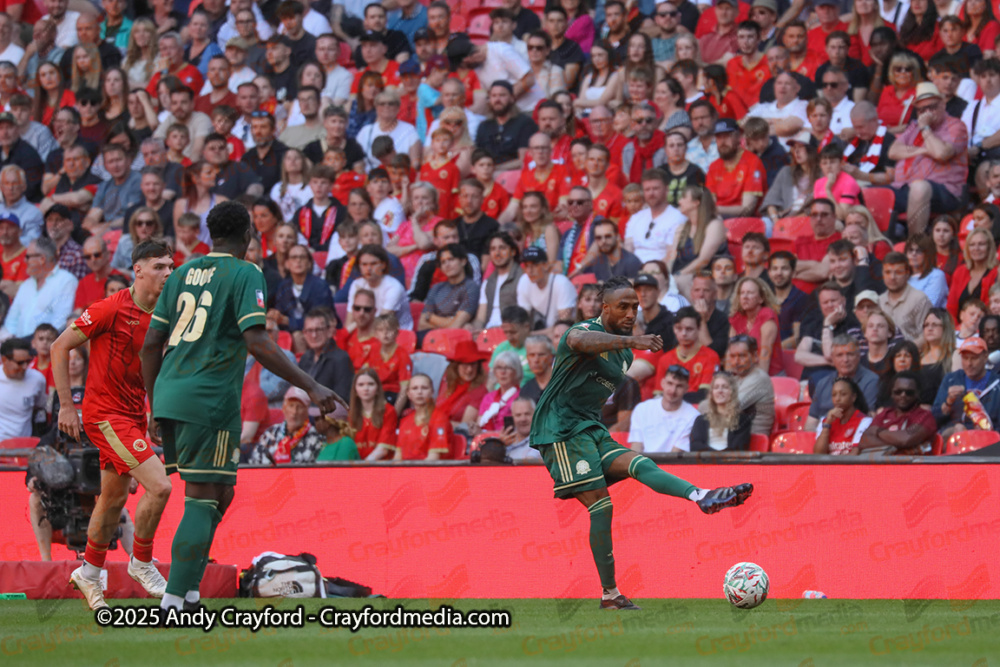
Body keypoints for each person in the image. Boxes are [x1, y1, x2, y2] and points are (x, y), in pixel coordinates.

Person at [140, 201, 344, 612]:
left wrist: (153, 402)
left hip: (171, 393)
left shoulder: (179, 274)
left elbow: (149, 345)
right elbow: (257, 342)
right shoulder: (245, 272)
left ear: (211, 234)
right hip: (209, 398)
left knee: (221, 491)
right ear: (249, 235)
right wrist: (311, 385)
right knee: (201, 496)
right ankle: (174, 602)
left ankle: (190, 590)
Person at [529, 275, 752, 610]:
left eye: (635, 306)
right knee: (601, 506)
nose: (632, 312)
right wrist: (630, 342)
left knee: (639, 463)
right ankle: (610, 594)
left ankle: (701, 495)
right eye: (623, 306)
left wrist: (627, 345)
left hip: (590, 429)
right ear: (605, 308)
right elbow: (579, 341)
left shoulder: (623, 357)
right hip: (560, 430)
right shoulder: (587, 331)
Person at [50, 240, 173, 609]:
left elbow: (152, 369)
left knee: (113, 498)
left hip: (135, 415)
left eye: (170, 266)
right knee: (161, 486)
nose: (167, 273)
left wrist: (153, 413)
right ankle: (142, 560)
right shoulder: (110, 308)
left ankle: (88, 573)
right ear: (137, 269)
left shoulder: (166, 314)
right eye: (159, 267)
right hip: (105, 415)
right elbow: (59, 347)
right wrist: (67, 406)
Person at [888, 82, 968, 236]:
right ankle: (880, 244)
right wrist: (924, 150)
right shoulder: (914, 126)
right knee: (864, 192)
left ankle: (915, 245)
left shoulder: (956, 126)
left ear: (943, 105)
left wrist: (926, 129)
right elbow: (893, 151)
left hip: (945, 191)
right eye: (922, 110)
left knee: (920, 188)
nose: (927, 113)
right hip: (905, 186)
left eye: (932, 107)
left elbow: (940, 154)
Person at [3, 237, 78, 338]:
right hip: (16, 347)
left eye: (28, 256)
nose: (25, 261)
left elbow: (60, 322)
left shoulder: (66, 281)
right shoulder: (26, 285)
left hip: (46, 344)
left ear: (42, 259)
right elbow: (11, 321)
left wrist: (34, 342)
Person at [806, 335, 880, 431]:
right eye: (839, 355)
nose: (845, 360)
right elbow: (811, 422)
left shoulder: (872, 381)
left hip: (854, 434)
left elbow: (868, 418)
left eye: (850, 354)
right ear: (832, 358)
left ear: (858, 356)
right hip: (824, 435)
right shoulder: (822, 384)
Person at [270, 245, 335, 353]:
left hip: (318, 332)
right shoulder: (284, 286)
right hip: (290, 330)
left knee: (297, 336)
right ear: (287, 263)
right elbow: (280, 311)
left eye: (302, 257)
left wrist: (288, 321)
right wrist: (275, 315)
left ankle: (304, 368)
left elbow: (321, 320)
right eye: (294, 257)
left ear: (309, 263)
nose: (298, 261)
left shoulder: (320, 286)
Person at [933, 335, 1000, 437]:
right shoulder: (951, 380)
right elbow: (934, 418)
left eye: (974, 358)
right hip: (955, 440)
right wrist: (948, 403)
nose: (969, 363)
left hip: (988, 440)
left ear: (985, 357)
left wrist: (985, 431)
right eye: (965, 358)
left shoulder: (997, 383)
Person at [654, 306, 720, 404]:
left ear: (699, 329)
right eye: (679, 328)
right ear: (674, 329)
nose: (684, 333)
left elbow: (704, 394)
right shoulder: (665, 359)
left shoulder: (711, 356)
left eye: (689, 329)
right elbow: (658, 394)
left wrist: (673, 397)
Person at [861, 370, 938, 454]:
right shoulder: (884, 414)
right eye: (898, 392)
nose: (903, 395)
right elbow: (863, 440)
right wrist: (898, 445)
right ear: (891, 393)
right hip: (882, 464)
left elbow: (905, 440)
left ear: (917, 394)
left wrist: (878, 431)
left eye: (909, 392)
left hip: (913, 465)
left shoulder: (925, 415)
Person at [704, 118, 766, 218]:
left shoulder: (752, 162)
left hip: (748, 221)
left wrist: (714, 210)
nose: (722, 141)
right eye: (719, 137)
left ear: (739, 137)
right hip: (719, 219)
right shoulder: (714, 166)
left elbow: (747, 209)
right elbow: (711, 201)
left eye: (727, 136)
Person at [623, 168, 687, 264]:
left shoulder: (677, 218)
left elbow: (671, 256)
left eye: (655, 188)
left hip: (660, 272)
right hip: (633, 271)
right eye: (647, 189)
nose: (651, 193)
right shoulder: (636, 218)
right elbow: (628, 249)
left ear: (666, 189)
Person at [248, 386, 326, 465]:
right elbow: (254, 463)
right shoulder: (270, 433)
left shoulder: (317, 438)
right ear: (284, 408)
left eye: (299, 407)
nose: (294, 412)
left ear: (307, 411)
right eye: (291, 405)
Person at [515, 245, 576, 334]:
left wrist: (529, 335)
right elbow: (522, 318)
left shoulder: (561, 283)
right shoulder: (524, 281)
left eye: (534, 265)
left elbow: (564, 327)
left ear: (546, 265)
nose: (530, 270)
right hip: (543, 333)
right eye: (527, 266)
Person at [297, 308, 353, 403]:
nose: (314, 335)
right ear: (304, 333)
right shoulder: (305, 358)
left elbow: (342, 399)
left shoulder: (341, 359)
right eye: (309, 330)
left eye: (318, 330)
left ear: (329, 331)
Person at [729, 276, 782, 375]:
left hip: (770, 376)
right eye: (742, 293)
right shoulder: (737, 318)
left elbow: (764, 359)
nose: (745, 296)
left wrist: (754, 384)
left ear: (761, 299)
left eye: (750, 293)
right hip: (743, 375)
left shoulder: (767, 317)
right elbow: (731, 356)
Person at [876, 251, 932, 342]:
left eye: (898, 272)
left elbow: (926, 335)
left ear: (907, 274)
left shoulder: (920, 299)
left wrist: (907, 351)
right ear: (883, 274)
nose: (892, 277)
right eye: (888, 272)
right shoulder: (879, 301)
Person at [690, 372, 754, 452]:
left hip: (730, 463)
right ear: (712, 393)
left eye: (725, 387)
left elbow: (737, 448)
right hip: (705, 462)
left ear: (732, 392)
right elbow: (695, 446)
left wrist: (715, 456)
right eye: (716, 387)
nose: (720, 391)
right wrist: (714, 456)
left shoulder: (742, 421)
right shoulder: (701, 420)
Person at [0, 338, 47, 441]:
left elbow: (40, 405)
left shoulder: (37, 379)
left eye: (28, 361)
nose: (25, 366)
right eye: (20, 363)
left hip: (25, 446)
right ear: (4, 360)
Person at [948, 228, 998, 321]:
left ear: (989, 247)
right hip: (959, 331)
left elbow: (991, 309)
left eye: (981, 244)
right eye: (972, 245)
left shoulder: (996, 273)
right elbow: (951, 308)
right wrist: (958, 330)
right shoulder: (960, 272)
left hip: (985, 328)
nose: (976, 248)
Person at [814, 376, 872, 455]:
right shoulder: (825, 421)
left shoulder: (864, 421)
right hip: (828, 466)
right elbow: (818, 454)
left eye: (843, 394)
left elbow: (855, 454)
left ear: (853, 397)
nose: (837, 399)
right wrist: (827, 425)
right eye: (834, 395)